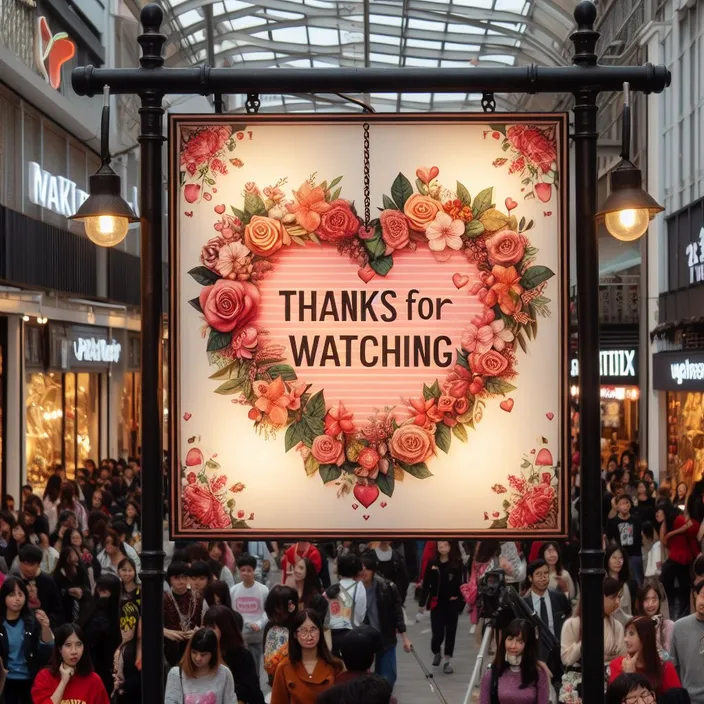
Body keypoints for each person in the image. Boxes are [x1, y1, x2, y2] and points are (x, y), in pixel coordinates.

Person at [560, 577, 626, 700]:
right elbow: (567, 660)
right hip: (577, 686)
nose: (617, 602)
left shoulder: (617, 626)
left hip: (608, 684)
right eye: (613, 597)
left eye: (619, 597)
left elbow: (621, 659)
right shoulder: (572, 624)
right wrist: (587, 636)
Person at [360, 551, 411, 688]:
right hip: (364, 637)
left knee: (388, 675)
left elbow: (397, 613)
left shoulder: (387, 587)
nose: (364, 572)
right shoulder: (354, 589)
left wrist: (405, 638)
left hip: (385, 635)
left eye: (367, 569)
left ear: (373, 570)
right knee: (365, 677)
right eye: (361, 569)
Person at [270, 608, 342, 704]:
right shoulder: (284, 667)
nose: (309, 636)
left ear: (320, 632)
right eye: (303, 631)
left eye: (313, 630)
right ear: (295, 635)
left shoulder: (335, 665)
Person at [0, 577, 54, 704]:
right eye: (12, 595)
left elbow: (45, 653)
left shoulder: (32, 621)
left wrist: (45, 627)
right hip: (5, 681)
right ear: (3, 597)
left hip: (30, 679)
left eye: (20, 594)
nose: (17, 599)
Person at [30, 623, 109, 704]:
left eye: (78, 644)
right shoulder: (44, 677)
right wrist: (63, 682)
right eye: (68, 645)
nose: (74, 651)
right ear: (60, 649)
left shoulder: (94, 681)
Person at [203, 604, 264, 704]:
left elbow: (248, 691)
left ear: (224, 629)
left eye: (212, 628)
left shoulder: (242, 654)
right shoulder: (202, 650)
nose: (207, 632)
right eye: (205, 627)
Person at [418, 540, 463, 674]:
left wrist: (460, 602)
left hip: (451, 602)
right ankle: (436, 650)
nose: (443, 549)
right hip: (436, 602)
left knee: (450, 632)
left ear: (450, 547)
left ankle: (447, 660)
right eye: (440, 546)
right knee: (437, 631)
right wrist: (422, 603)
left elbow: (462, 584)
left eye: (446, 546)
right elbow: (426, 584)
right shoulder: (433, 564)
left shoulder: (456, 564)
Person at [480, 618, 549, 704]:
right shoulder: (491, 674)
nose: (513, 645)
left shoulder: (539, 673)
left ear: (528, 645)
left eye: (520, 641)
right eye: (510, 639)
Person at [608, 616, 680, 695]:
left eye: (631, 634)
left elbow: (677, 698)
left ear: (645, 637)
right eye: (625, 634)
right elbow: (615, 699)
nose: (625, 639)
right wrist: (628, 676)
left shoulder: (665, 667)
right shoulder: (616, 665)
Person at [164, 627, 235, 704]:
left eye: (203, 655)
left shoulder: (224, 673)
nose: (197, 658)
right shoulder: (176, 674)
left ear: (212, 654)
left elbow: (230, 701)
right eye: (194, 652)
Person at [80, 575, 122, 694]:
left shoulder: (117, 610)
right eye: (99, 591)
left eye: (104, 591)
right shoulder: (91, 606)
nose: (101, 595)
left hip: (108, 663)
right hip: (91, 660)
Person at [660, 500, 699, 621]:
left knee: (681, 588)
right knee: (681, 588)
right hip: (680, 559)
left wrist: (673, 533)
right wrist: (673, 533)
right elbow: (664, 540)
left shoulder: (677, 519)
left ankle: (680, 615)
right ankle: (679, 615)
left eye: (660, 513)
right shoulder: (669, 521)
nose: (658, 515)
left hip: (681, 558)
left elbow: (692, 528)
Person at [230, 553, 269, 675]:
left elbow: (267, 611)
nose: (246, 573)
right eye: (243, 570)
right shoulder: (234, 590)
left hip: (257, 636)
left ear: (254, 570)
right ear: (238, 571)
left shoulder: (263, 590)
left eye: (249, 570)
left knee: (255, 667)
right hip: (239, 636)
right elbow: (232, 611)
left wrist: (259, 624)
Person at [163, 561, 207, 666]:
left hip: (195, 649)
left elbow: (208, 624)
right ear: (170, 580)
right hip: (169, 650)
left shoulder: (198, 597)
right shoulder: (163, 599)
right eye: (177, 578)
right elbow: (150, 624)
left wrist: (198, 632)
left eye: (184, 577)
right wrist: (165, 631)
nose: (181, 581)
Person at [522, 559, 571, 648]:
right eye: (538, 574)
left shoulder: (559, 597)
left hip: (558, 648)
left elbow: (568, 616)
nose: (543, 577)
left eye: (545, 573)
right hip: (535, 650)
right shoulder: (524, 603)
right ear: (530, 578)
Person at [669, 579, 704, 701]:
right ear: (695, 595)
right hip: (688, 698)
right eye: (703, 595)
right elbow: (673, 666)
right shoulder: (679, 627)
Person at [327, 553, 366, 657]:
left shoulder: (332, 590)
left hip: (333, 635)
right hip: (352, 633)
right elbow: (360, 613)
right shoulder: (359, 587)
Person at [16, 545, 63, 629]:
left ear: (39, 564)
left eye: (33, 564)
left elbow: (57, 609)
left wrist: (47, 622)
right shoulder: (14, 580)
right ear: (20, 563)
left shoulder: (47, 581)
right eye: (26, 564)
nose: (29, 568)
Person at [263, 585, 299, 684]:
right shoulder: (269, 627)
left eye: (280, 607)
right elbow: (267, 656)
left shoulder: (298, 625)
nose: (278, 611)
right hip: (277, 678)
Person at [607, 495, 644, 586]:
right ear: (617, 506)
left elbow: (640, 535)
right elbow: (609, 538)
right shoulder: (613, 522)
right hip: (620, 555)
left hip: (635, 554)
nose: (625, 505)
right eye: (622, 503)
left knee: (637, 580)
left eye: (627, 502)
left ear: (630, 505)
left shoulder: (636, 520)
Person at [634, 579, 674, 659]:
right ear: (640, 602)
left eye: (654, 599)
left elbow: (671, 656)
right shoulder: (634, 626)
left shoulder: (669, 625)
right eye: (646, 599)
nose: (651, 604)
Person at [52, 546, 90, 624]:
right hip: (66, 609)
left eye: (75, 555)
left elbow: (87, 588)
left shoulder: (81, 570)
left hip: (81, 607)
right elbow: (57, 593)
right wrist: (68, 590)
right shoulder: (59, 574)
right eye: (71, 555)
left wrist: (81, 591)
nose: (74, 558)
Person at [288, 557, 327, 624]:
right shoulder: (289, 592)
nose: (296, 570)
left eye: (301, 568)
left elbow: (318, 621)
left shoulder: (317, 598)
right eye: (295, 566)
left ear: (308, 572)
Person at [605, 544, 636, 625]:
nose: (618, 561)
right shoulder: (602, 583)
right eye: (614, 558)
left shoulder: (626, 585)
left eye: (621, 558)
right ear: (607, 559)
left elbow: (628, 611)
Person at [117, 558, 140, 643]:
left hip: (137, 632)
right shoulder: (116, 589)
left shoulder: (140, 591)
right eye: (124, 570)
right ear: (118, 571)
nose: (127, 573)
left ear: (135, 571)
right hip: (118, 632)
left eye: (130, 570)